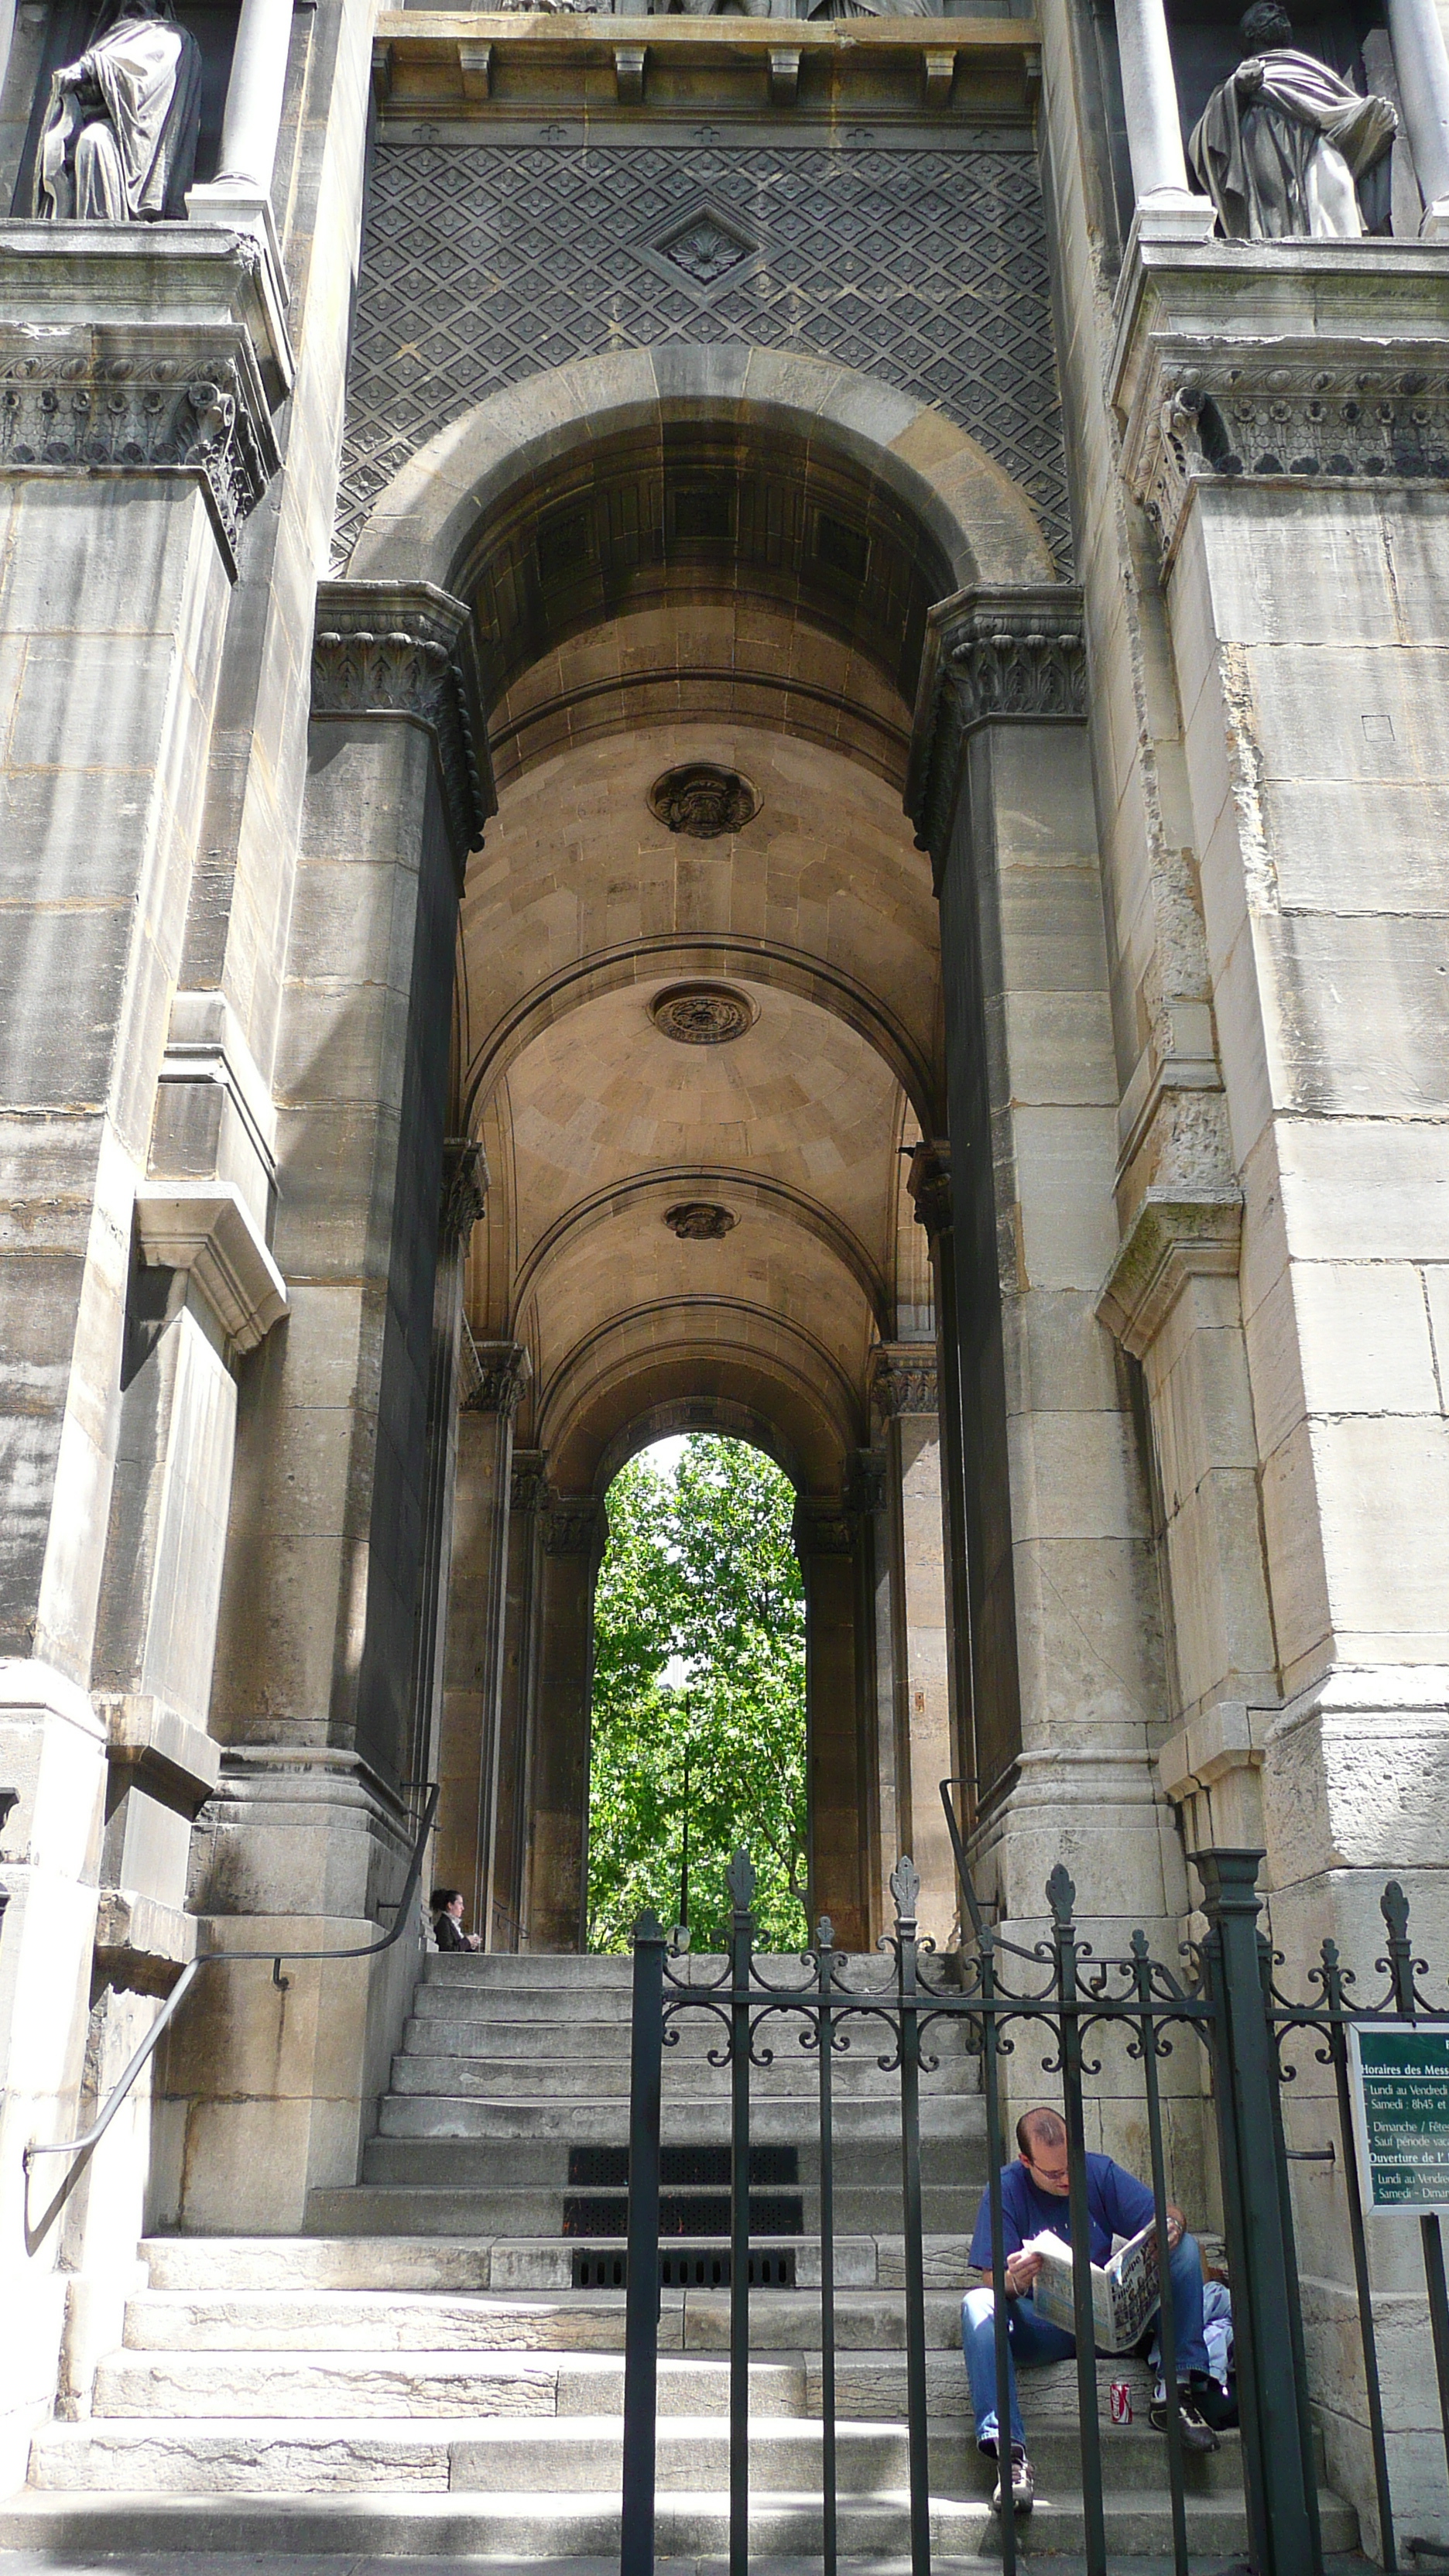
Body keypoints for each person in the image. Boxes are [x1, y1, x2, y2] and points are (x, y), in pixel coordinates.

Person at [961, 2106, 1221, 2517]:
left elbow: (1169, 2213)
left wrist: (1171, 2226)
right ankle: (1010, 2455)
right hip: (1043, 2325)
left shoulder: (1096, 2173)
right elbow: (993, 2280)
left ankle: (1176, 2391)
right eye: (1053, 2174)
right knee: (976, 2304)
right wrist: (1017, 2280)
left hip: (1110, 2320)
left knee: (1184, 2251)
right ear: (1026, 2161)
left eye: (1069, 2167)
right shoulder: (1005, 2189)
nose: (1065, 2179)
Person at [1188, 2, 1396, 241]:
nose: (1279, 11)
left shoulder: (1317, 73)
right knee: (1274, 212)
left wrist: (1373, 121)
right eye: (1268, 11)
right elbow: (1204, 139)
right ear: (1250, 33)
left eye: (1280, 11)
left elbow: (1339, 115)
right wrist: (1237, 89)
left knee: (1337, 184)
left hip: (1318, 142)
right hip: (1263, 141)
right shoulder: (1237, 80)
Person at [34, 0, 202, 222]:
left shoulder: (173, 38)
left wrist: (91, 66)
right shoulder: (108, 38)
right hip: (103, 125)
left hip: (137, 145)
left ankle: (107, 231)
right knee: (91, 141)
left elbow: (143, 82)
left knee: (94, 141)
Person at [430, 1888, 481, 1952]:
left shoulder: (451, 1923)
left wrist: (471, 1943)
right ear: (450, 1905)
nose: (462, 1908)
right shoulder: (444, 1923)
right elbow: (448, 1950)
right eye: (460, 1904)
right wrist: (467, 1941)